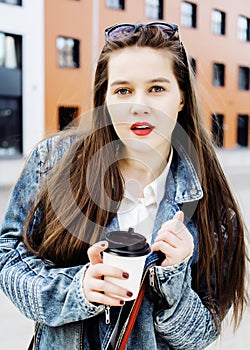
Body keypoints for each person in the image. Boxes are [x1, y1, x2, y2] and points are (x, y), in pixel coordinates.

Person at [0, 22, 248, 350]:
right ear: (104, 98)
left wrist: (174, 277)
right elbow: (9, 254)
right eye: (123, 90)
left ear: (182, 98)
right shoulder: (53, 160)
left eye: (157, 88)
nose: (139, 105)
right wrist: (76, 291)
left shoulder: (215, 210)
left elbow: (201, 334)